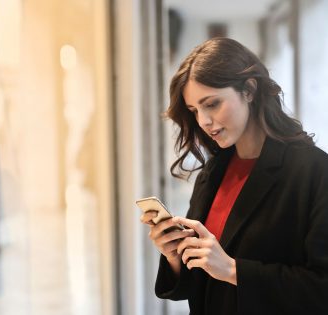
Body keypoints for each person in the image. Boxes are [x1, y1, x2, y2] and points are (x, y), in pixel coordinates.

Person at [140, 37, 328, 314]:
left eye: (212, 104)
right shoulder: (213, 171)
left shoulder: (313, 171)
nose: (203, 121)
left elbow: (320, 289)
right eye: (194, 110)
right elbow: (202, 281)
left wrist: (233, 270)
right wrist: (175, 258)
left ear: (249, 90)